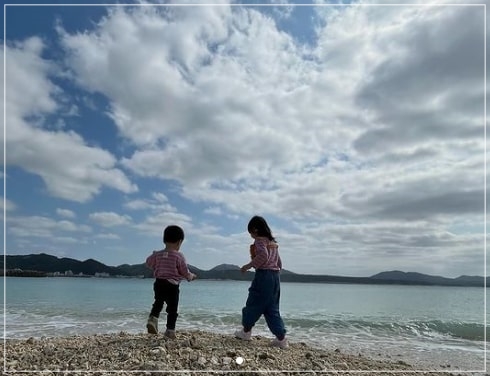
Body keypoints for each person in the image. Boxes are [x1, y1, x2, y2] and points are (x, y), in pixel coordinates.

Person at [234, 216, 288, 349]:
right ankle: (281, 338)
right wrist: (276, 270)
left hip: (264, 276)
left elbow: (263, 256)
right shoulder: (272, 243)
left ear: (255, 230)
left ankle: (246, 332)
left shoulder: (259, 241)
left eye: (251, 233)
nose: (251, 236)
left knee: (253, 303)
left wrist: (248, 265)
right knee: (272, 308)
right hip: (275, 278)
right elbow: (279, 262)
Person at [146, 225, 196, 339]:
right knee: (172, 309)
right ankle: (170, 331)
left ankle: (152, 319)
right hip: (172, 286)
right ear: (179, 242)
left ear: (164, 240)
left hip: (159, 283)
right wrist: (191, 276)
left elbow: (148, 263)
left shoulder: (157, 254)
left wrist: (155, 257)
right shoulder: (178, 256)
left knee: (158, 302)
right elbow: (184, 271)